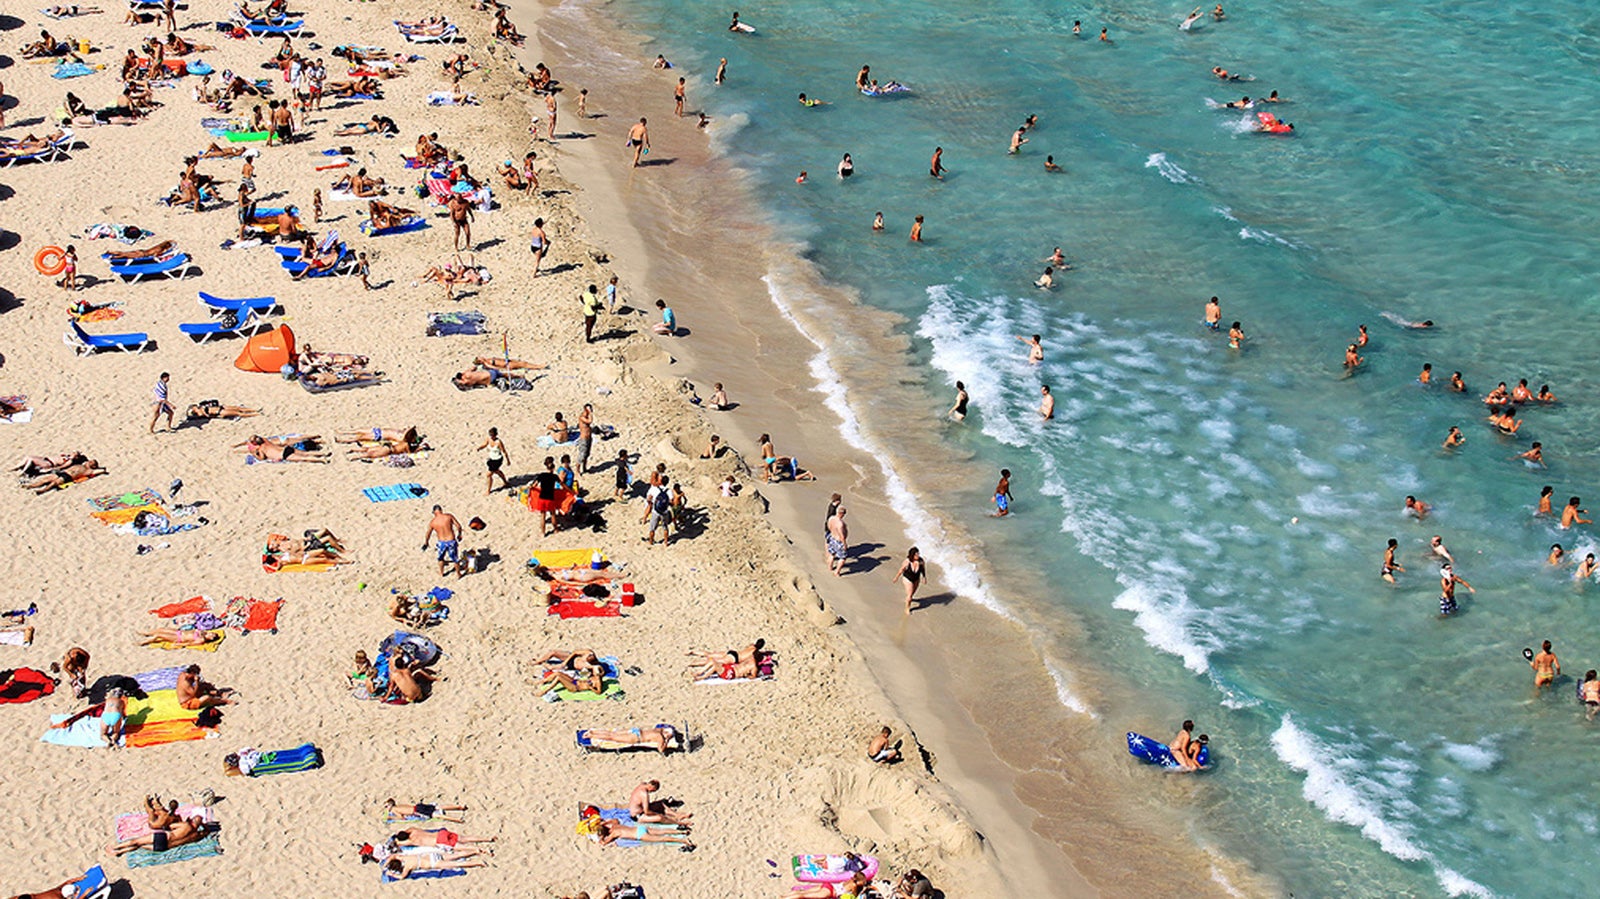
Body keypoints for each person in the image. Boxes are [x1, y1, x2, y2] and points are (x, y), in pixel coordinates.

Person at [106, 815, 206, 856]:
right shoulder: (197, 835)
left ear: (192, 820)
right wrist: (202, 826)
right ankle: (121, 852)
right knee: (139, 846)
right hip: (165, 847)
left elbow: (171, 826)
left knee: (136, 841)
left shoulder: (186, 825)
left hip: (164, 837)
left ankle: (115, 848)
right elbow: (206, 831)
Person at [423, 505, 465, 577]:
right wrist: (459, 534)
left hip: (441, 542)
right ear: (441, 510)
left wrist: (426, 542)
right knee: (455, 558)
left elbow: (428, 533)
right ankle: (458, 574)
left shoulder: (433, 522)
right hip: (451, 540)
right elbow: (458, 526)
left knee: (440, 558)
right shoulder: (448, 516)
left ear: (434, 512)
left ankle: (441, 573)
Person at [584, 724, 681, 754]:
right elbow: (661, 750)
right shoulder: (660, 737)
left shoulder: (659, 730)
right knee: (612, 737)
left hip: (635, 731)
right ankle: (592, 735)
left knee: (613, 733)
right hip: (636, 737)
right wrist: (666, 740)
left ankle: (593, 732)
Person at [384, 798, 469, 823]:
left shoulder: (394, 810)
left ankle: (457, 820)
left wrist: (391, 817)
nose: (386, 808)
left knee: (437, 815)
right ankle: (459, 806)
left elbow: (402, 818)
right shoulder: (398, 805)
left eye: (386, 806)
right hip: (418, 806)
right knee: (439, 807)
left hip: (417, 812)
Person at [480, 427, 509, 494]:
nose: (491, 437)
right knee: (497, 471)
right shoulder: (488, 439)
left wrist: (508, 460)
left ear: (496, 435)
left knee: (488, 475)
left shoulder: (499, 442)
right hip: (491, 459)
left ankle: (488, 490)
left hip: (497, 460)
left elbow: (504, 451)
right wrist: (480, 448)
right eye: (490, 435)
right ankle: (506, 482)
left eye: (493, 435)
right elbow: (485, 444)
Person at [894, 547, 924, 613]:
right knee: (910, 595)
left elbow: (922, 569)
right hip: (907, 579)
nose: (918, 555)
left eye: (918, 554)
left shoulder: (921, 561)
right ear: (912, 555)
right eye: (916, 555)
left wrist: (924, 577)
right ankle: (907, 608)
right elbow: (901, 570)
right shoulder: (907, 562)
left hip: (916, 579)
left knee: (912, 593)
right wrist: (896, 577)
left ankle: (909, 598)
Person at [826, 506, 849, 576]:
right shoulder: (840, 524)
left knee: (831, 554)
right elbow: (842, 536)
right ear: (841, 513)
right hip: (838, 541)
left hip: (832, 538)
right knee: (843, 558)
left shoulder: (831, 518)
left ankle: (830, 567)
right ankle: (837, 572)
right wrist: (845, 544)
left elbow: (829, 526)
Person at [187, 400, 261, 421]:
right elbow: (208, 416)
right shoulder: (200, 413)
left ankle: (255, 410)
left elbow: (193, 405)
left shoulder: (199, 407)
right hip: (219, 412)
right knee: (238, 413)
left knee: (238, 408)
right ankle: (256, 414)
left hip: (220, 407)